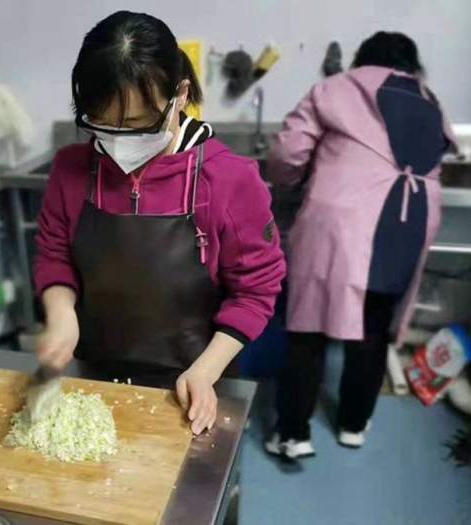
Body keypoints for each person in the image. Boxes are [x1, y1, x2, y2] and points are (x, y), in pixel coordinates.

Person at [33, 11, 285, 435]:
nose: (119, 142)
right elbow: (54, 253)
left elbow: (255, 291)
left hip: (194, 384)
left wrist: (206, 371)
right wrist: (61, 313)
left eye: (137, 124)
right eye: (102, 124)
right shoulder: (72, 169)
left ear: (180, 95)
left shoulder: (228, 180)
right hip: (94, 374)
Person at [265, 32, 456, 458]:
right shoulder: (430, 100)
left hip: (342, 217)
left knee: (309, 326)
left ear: (362, 58)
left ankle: (292, 433)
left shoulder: (337, 87)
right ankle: (353, 424)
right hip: (410, 220)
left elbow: (288, 152)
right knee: (375, 323)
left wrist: (289, 184)